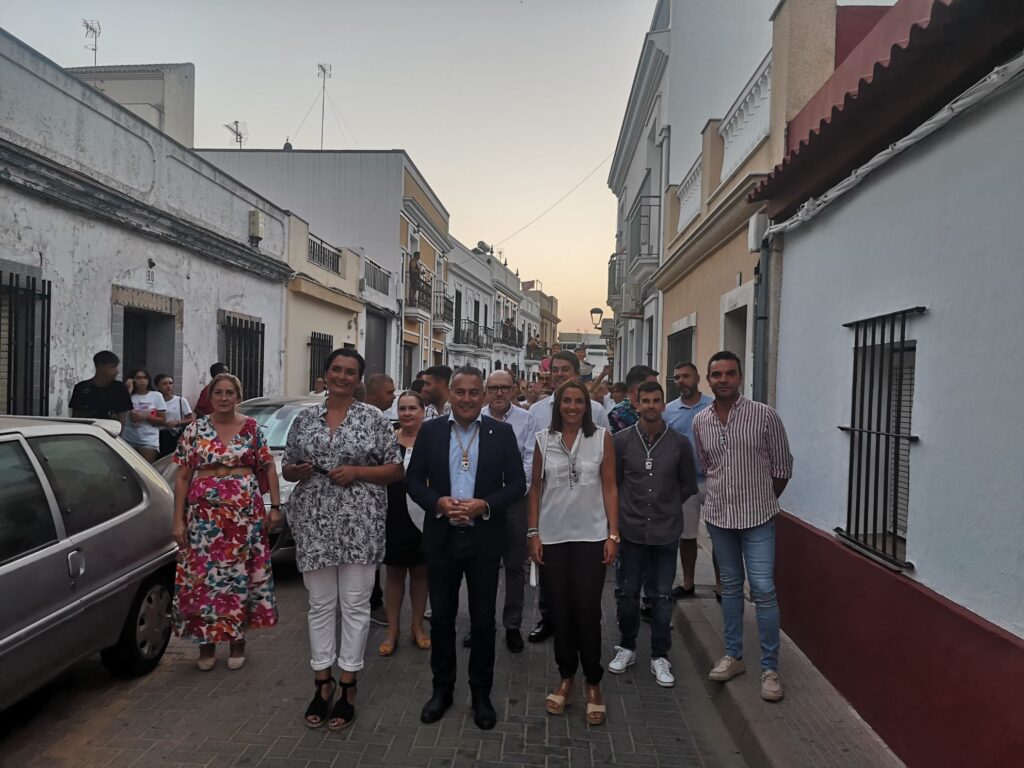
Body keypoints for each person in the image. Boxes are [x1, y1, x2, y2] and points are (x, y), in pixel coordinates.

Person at [282, 349, 404, 730]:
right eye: (336, 369)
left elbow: (396, 469)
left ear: (359, 379)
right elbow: (286, 468)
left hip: (360, 524)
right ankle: (322, 682)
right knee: (320, 606)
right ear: (326, 374)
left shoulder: (374, 419)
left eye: (350, 372)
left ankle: (348, 681)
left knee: (354, 606)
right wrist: (297, 470)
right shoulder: (304, 419)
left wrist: (356, 471)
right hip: (314, 523)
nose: (342, 376)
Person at [406, 366, 526, 731]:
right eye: (461, 392)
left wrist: (484, 505)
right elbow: (412, 481)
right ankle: (441, 690)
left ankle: (480, 694)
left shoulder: (501, 434)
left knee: (483, 620)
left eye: (475, 392)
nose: (468, 399)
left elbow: (517, 483)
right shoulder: (430, 431)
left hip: (483, 537)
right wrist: (438, 502)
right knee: (441, 619)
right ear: (450, 395)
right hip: (442, 537)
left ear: (485, 396)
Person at [692, 351, 793, 702]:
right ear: (709, 380)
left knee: (763, 589)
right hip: (719, 517)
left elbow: (782, 468)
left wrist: (760, 498)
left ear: (740, 377)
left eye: (729, 374)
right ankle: (733, 655)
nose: (723, 380)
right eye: (716, 374)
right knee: (730, 587)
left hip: (758, 518)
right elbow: (707, 466)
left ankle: (770, 668)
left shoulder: (765, 416)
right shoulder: (700, 421)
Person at [171, 373, 281, 671]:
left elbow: (268, 467)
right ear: (211, 397)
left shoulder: (252, 428)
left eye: (229, 392)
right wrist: (178, 520)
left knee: (239, 577)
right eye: (218, 392)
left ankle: (237, 641)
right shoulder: (195, 429)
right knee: (203, 579)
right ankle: (205, 645)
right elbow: (182, 477)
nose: (223, 397)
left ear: (238, 396)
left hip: (243, 518)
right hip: (204, 521)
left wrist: (275, 507)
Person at [528, 380, 619, 725]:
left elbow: (610, 486)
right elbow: (535, 489)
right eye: (566, 401)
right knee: (561, 612)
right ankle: (567, 677)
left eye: (578, 401)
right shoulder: (543, 440)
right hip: (552, 538)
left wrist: (613, 533)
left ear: (587, 405)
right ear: (557, 405)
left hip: (592, 536)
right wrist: (533, 532)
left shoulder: (601, 438)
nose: (571, 406)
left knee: (587, 609)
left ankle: (593, 681)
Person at [608, 381, 697, 688]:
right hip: (631, 531)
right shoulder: (620, 442)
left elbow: (687, 485)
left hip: (665, 532)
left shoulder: (680, 443)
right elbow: (613, 485)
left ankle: (660, 655)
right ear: (637, 404)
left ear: (663, 404)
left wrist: (666, 508)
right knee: (628, 593)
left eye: (656, 400)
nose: (650, 405)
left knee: (661, 596)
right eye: (645, 400)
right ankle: (628, 647)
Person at [524, 350, 609, 644]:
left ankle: (579, 627)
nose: (559, 375)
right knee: (551, 575)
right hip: (550, 504)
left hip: (586, 513)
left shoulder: (595, 410)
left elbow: (602, 458)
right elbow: (530, 452)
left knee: (583, 586)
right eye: (555, 370)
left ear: (576, 373)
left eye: (564, 370)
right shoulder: (535, 411)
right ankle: (549, 619)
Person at [460, 370, 536, 653]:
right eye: (494, 388)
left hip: (515, 500)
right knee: (481, 566)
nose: (500, 393)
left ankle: (513, 625)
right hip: (481, 500)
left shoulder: (526, 420)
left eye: (505, 388)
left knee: (515, 566)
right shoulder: (474, 418)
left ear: (514, 389)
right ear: (485, 391)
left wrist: (515, 492)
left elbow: (529, 458)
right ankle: (480, 625)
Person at [379, 391, 431, 656]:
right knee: (395, 574)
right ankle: (392, 630)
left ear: (423, 411)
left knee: (421, 574)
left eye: (413, 408)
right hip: (394, 513)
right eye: (403, 408)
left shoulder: (432, 440)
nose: (407, 413)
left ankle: (417, 627)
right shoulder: (388, 440)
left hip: (424, 516)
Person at [663, 362, 715, 599]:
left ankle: (723, 584)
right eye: (677, 377)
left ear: (697, 379)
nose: (681, 381)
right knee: (687, 536)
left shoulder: (713, 407)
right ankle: (688, 582)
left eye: (686, 376)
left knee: (719, 535)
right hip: (685, 483)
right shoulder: (669, 411)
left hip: (715, 480)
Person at [364, 371, 399, 624]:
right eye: (389, 392)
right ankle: (373, 602)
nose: (393, 397)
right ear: (374, 394)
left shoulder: (385, 422)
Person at [69, 350, 132, 424]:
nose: (116, 371)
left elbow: (122, 418)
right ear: (100, 367)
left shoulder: (119, 388)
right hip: (87, 432)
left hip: (111, 431)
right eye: (112, 367)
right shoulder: (81, 388)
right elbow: (76, 417)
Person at [122, 367, 166, 462]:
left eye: (145, 378)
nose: (142, 381)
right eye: (138, 378)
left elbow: (163, 420)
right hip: (128, 439)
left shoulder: (156, 396)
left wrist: (146, 416)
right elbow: (121, 409)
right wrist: (128, 390)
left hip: (149, 440)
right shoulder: (128, 395)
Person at [608, 365, 660, 434]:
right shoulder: (617, 414)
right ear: (637, 388)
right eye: (652, 386)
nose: (657, 389)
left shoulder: (656, 410)